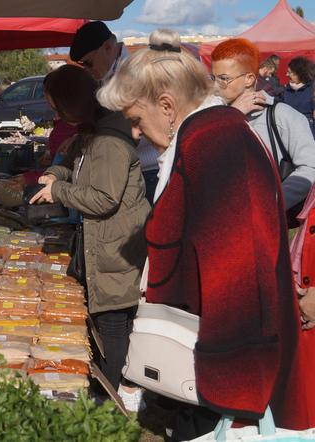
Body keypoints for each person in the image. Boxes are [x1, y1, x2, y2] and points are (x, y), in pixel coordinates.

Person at [98, 29, 314, 438]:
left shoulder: (217, 144)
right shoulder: (204, 138)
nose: (137, 134)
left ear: (166, 105)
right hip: (205, 365)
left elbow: (238, 273)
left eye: (136, 120)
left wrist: (234, 392)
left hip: (224, 377)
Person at [29, 65, 150, 400]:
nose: (55, 114)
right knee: (114, 322)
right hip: (110, 242)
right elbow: (72, 160)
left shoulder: (109, 140)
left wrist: (59, 192)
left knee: (113, 323)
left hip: (116, 245)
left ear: (74, 102)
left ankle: (111, 395)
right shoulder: (93, 131)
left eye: (57, 107)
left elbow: (102, 199)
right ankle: (120, 385)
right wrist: (55, 174)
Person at [211, 38, 315, 225]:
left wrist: (271, 204)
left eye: (224, 79)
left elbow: (310, 168)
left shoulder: (282, 115)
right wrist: (232, 117)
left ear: (250, 79)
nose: (216, 86)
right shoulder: (212, 116)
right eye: (214, 78)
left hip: (268, 225)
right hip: (222, 223)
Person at [70, 20, 159, 205]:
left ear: (108, 47)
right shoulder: (109, 75)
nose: (87, 69)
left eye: (88, 62)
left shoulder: (135, 73)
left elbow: (145, 130)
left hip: (148, 173)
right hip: (132, 169)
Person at [283, 56, 315, 138]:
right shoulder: (286, 90)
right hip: (289, 135)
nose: (286, 74)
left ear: (299, 73)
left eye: (289, 72)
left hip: (309, 136)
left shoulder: (312, 89)